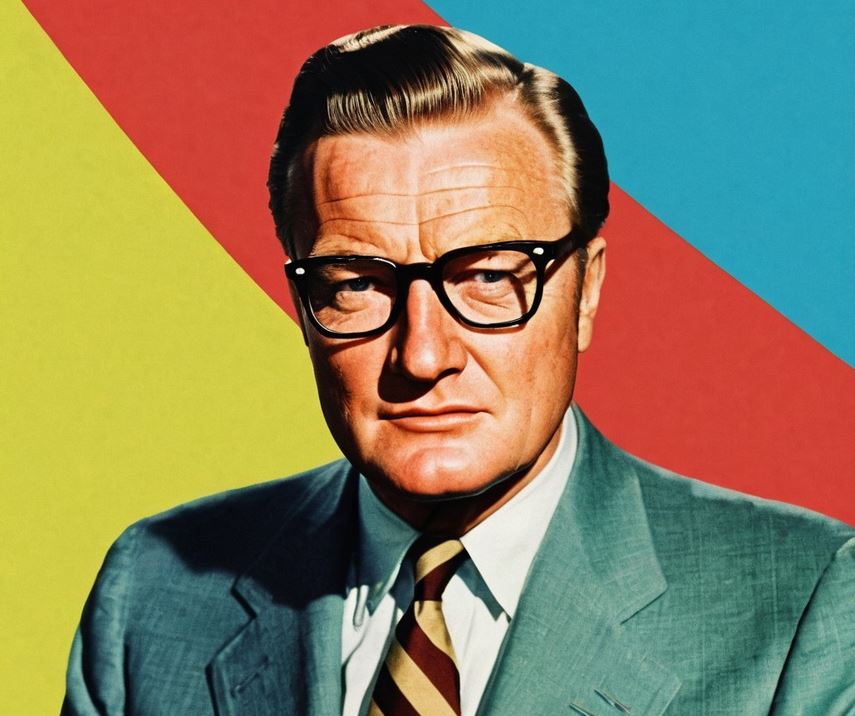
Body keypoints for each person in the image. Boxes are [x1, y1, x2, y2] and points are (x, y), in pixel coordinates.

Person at [63, 25, 855, 715]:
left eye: (486, 277)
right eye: (356, 284)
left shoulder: (807, 606)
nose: (422, 355)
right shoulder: (154, 594)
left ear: (586, 290)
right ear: (303, 306)